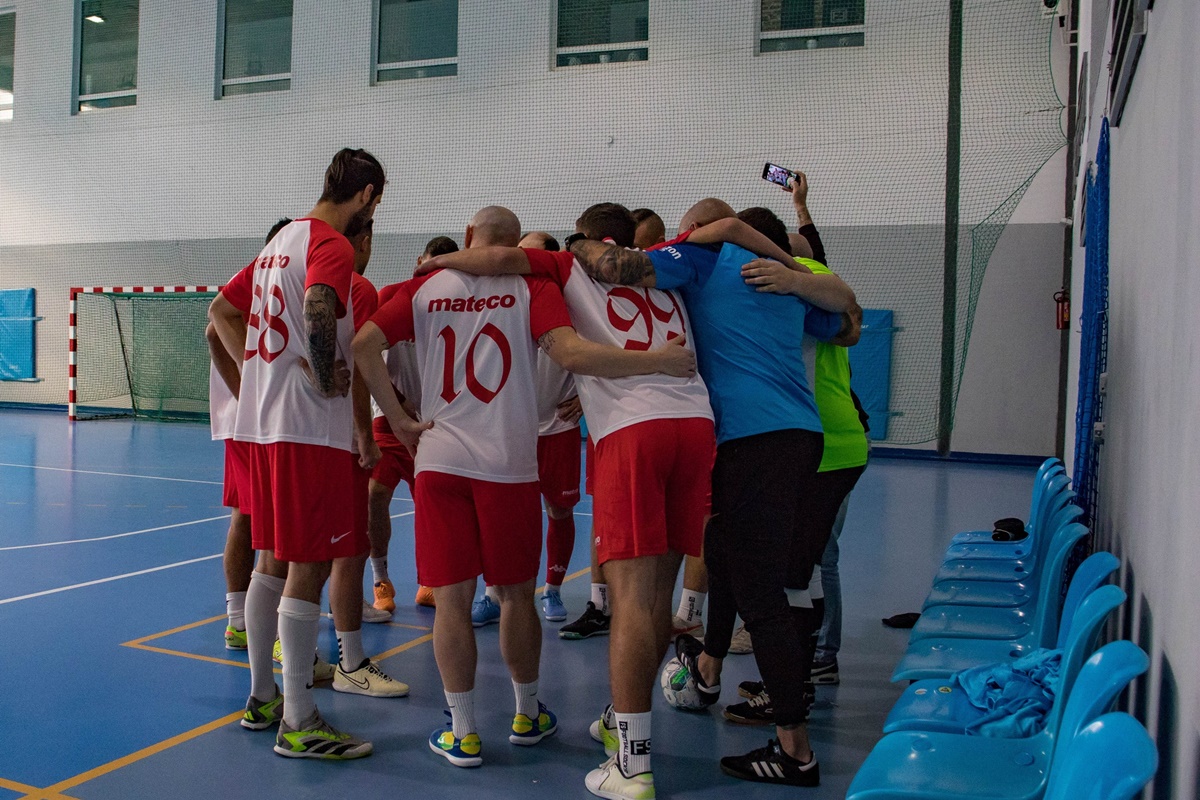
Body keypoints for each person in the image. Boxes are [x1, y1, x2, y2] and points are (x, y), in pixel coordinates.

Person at [418, 201, 809, 799]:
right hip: (695, 422)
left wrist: (440, 259)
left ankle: (633, 763)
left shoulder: (563, 266)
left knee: (629, 601)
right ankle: (620, 722)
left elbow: (500, 259)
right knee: (655, 599)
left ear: (589, 238)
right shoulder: (670, 266)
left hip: (633, 427)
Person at [354, 205, 697, 771]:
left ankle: (463, 733)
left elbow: (364, 343)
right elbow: (568, 352)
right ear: (514, 245)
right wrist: (654, 362)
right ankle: (526, 713)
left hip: (439, 458)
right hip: (509, 463)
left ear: (469, 238)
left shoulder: (419, 288)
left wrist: (400, 420)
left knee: (452, 604)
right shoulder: (531, 287)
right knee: (516, 596)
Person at [565, 197, 856, 787]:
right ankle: (706, 670)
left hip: (751, 438)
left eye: (686, 231)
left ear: (699, 233)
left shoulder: (704, 262)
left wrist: (572, 245)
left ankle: (795, 749)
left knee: (762, 592)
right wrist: (798, 275)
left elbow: (618, 269)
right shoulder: (779, 281)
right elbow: (848, 322)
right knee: (731, 561)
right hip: (800, 436)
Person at [209, 148, 409, 760]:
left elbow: (220, 309)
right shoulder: (332, 245)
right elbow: (323, 307)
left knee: (272, 559)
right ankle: (299, 719)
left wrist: (262, 372)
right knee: (309, 567)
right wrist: (324, 375)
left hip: (265, 426)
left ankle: (265, 696)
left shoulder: (281, 242)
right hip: (306, 428)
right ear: (368, 194)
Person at [470, 230, 584, 626]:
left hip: (558, 428)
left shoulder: (573, 305)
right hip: (508, 429)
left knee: (560, 509)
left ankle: (552, 589)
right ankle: (491, 592)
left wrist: (588, 396)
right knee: (499, 515)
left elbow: (603, 349)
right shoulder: (501, 300)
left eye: (531, 257)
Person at [208, 217, 292, 652]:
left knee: (249, 517)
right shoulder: (258, 280)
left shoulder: (266, 282)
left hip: (252, 419)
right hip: (251, 421)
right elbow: (211, 331)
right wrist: (248, 391)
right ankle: (261, 625)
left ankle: (240, 620)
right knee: (269, 523)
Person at [368, 235, 460, 613]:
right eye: (429, 265)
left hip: (436, 421)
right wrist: (398, 404)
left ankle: (429, 582)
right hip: (390, 419)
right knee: (375, 496)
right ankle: (381, 580)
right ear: (418, 261)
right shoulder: (392, 295)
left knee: (431, 503)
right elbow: (365, 351)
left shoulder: (458, 304)